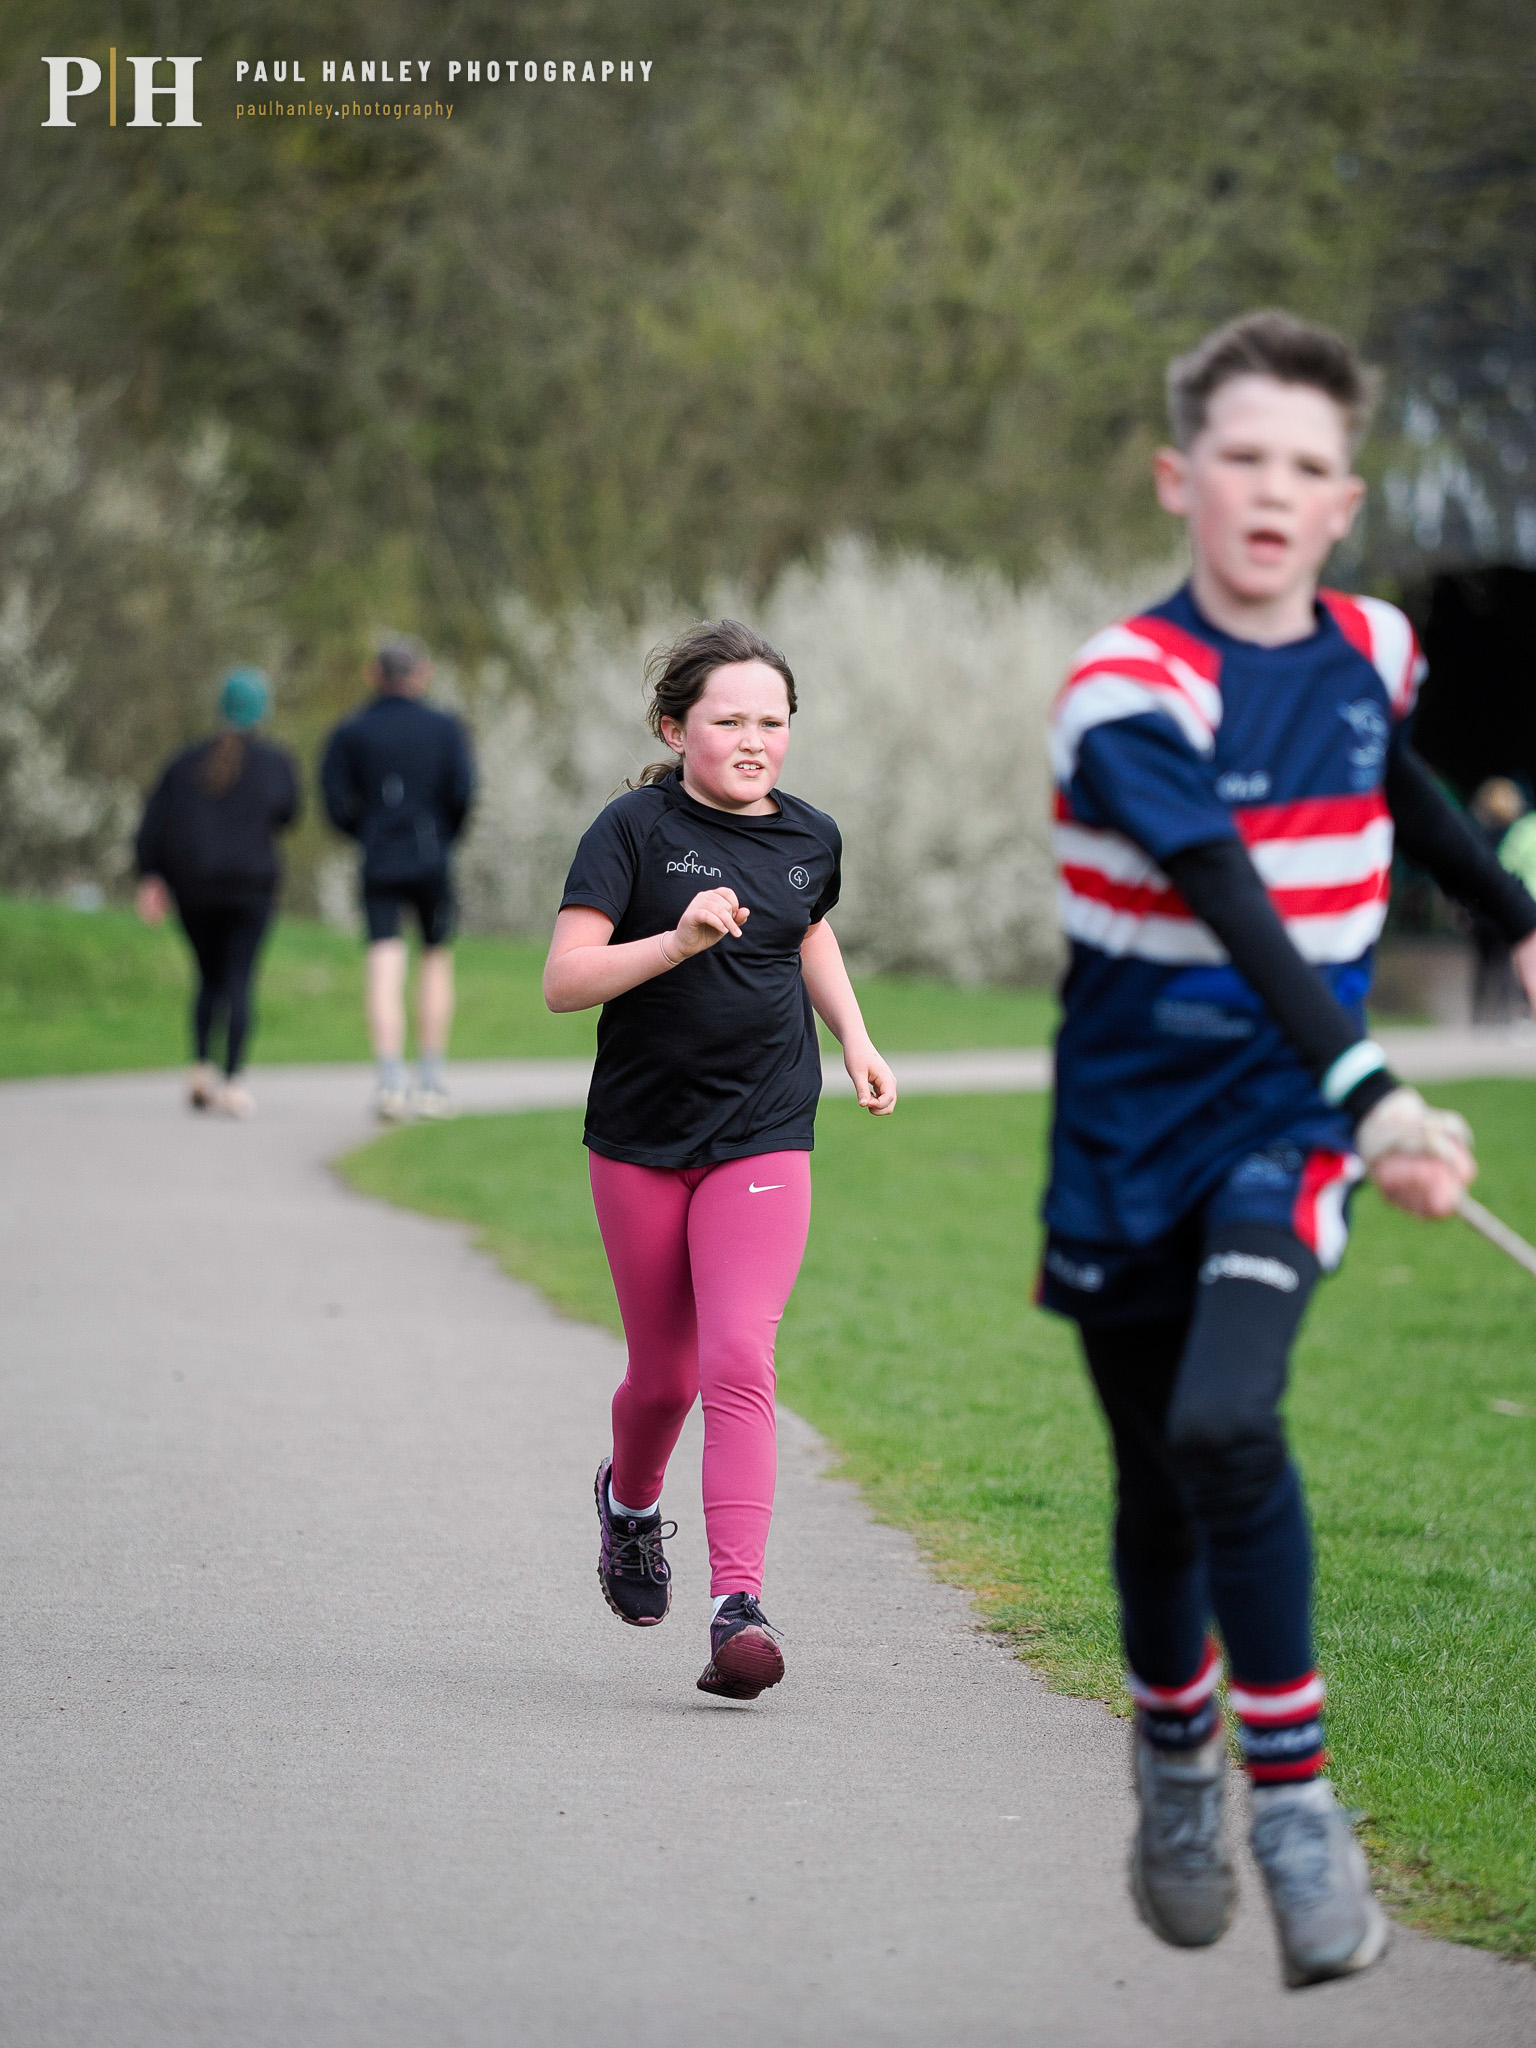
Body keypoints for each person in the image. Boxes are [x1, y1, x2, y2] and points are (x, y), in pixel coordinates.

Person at [1039, 311, 1536, 1988]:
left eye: (1305, 465)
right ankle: (1176, 1752)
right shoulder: (1126, 689)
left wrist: (1512, 914)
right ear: (1177, 479)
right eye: (1239, 456)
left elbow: (1392, 780)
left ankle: (1299, 1806)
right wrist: (1386, 1091)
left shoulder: (1374, 645)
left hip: (1284, 1121)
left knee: (1223, 1419)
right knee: (1152, 1480)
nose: (1270, 488)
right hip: (1128, 1132)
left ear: (1344, 502)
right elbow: (1228, 892)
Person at [544, 619, 897, 1701]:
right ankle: (630, 1505)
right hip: (642, 1139)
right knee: (666, 1377)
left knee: (740, 1356)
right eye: (729, 720)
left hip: (764, 1128)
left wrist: (854, 1035)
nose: (754, 741)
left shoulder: (810, 836)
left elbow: (808, 928)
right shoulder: (632, 830)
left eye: (772, 722)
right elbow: (564, 981)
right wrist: (677, 941)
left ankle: (737, 1606)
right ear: (674, 729)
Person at [320, 635, 476, 1121]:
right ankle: (430, 1082)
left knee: (384, 959)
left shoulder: (351, 731)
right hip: (432, 859)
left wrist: (365, 832)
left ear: (374, 674)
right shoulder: (445, 728)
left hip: (379, 860)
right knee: (435, 959)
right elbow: (463, 793)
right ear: (422, 673)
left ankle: (390, 1081)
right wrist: (442, 837)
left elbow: (333, 801)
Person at [134, 668, 300, 1117]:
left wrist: (151, 876)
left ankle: (201, 1067)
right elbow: (288, 814)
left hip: (194, 889)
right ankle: (232, 1080)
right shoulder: (275, 764)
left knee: (208, 977)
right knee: (239, 979)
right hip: (251, 889)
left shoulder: (184, 763)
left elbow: (153, 827)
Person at [1467, 777, 1530, 1023]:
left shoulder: (1475, 834)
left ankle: (1479, 1019)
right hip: (1510, 906)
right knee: (1506, 965)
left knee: (1483, 966)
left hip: (1482, 907)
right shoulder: (1520, 833)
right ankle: (1503, 1019)